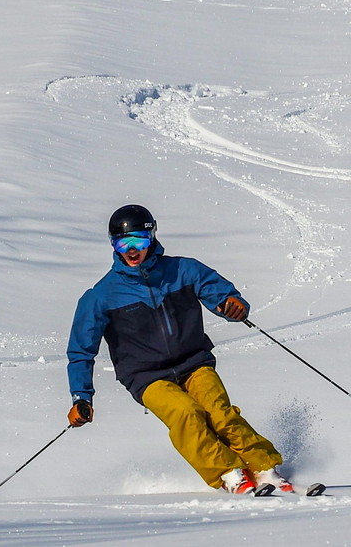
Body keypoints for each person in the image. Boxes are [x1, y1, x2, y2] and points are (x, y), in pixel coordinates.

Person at [66, 204, 293, 495]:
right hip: (146, 376)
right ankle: (230, 473)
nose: (132, 250)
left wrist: (231, 306)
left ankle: (264, 469)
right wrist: (81, 397)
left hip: (194, 362)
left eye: (139, 241)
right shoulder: (101, 296)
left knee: (220, 414)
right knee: (186, 414)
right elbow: (81, 352)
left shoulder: (183, 270)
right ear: (113, 245)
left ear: (152, 238)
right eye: (124, 243)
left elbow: (220, 293)